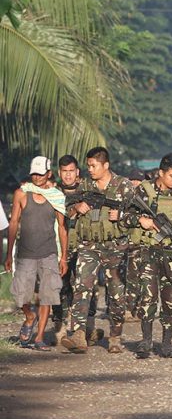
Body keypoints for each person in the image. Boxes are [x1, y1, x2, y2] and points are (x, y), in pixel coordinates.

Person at [61, 147, 133, 354]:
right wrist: (77, 208)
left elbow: (136, 214)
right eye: (88, 165)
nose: (90, 169)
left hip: (115, 246)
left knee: (116, 294)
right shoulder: (84, 185)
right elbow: (68, 210)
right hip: (88, 246)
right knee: (81, 288)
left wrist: (120, 216)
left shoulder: (123, 186)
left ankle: (115, 336)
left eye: (94, 166)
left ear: (106, 165)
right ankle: (78, 336)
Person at [125, 153, 172, 359]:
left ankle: (166, 343)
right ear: (161, 173)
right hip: (148, 252)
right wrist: (141, 220)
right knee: (148, 298)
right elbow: (125, 216)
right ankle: (146, 341)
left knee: (169, 299)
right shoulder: (144, 191)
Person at [4, 156, 68, 350]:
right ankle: (30, 316)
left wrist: (63, 256)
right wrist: (9, 255)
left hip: (48, 253)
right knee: (21, 295)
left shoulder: (56, 196)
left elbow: (62, 228)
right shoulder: (22, 194)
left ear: (49, 173)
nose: (37, 177)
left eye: (41, 174)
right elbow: (14, 223)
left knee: (48, 295)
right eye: (34, 174)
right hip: (25, 253)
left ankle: (39, 337)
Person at [52, 155, 103, 346]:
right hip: (60, 248)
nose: (68, 175)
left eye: (71, 171)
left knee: (88, 287)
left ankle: (86, 328)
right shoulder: (54, 193)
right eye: (64, 171)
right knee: (60, 287)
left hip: (86, 246)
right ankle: (60, 328)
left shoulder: (88, 190)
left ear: (77, 172)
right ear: (59, 173)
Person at [124, 169, 147, 319]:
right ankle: (128, 308)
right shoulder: (126, 197)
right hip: (129, 243)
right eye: (133, 181)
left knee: (144, 277)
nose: (136, 184)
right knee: (130, 277)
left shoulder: (149, 198)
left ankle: (139, 308)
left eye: (138, 181)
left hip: (144, 243)